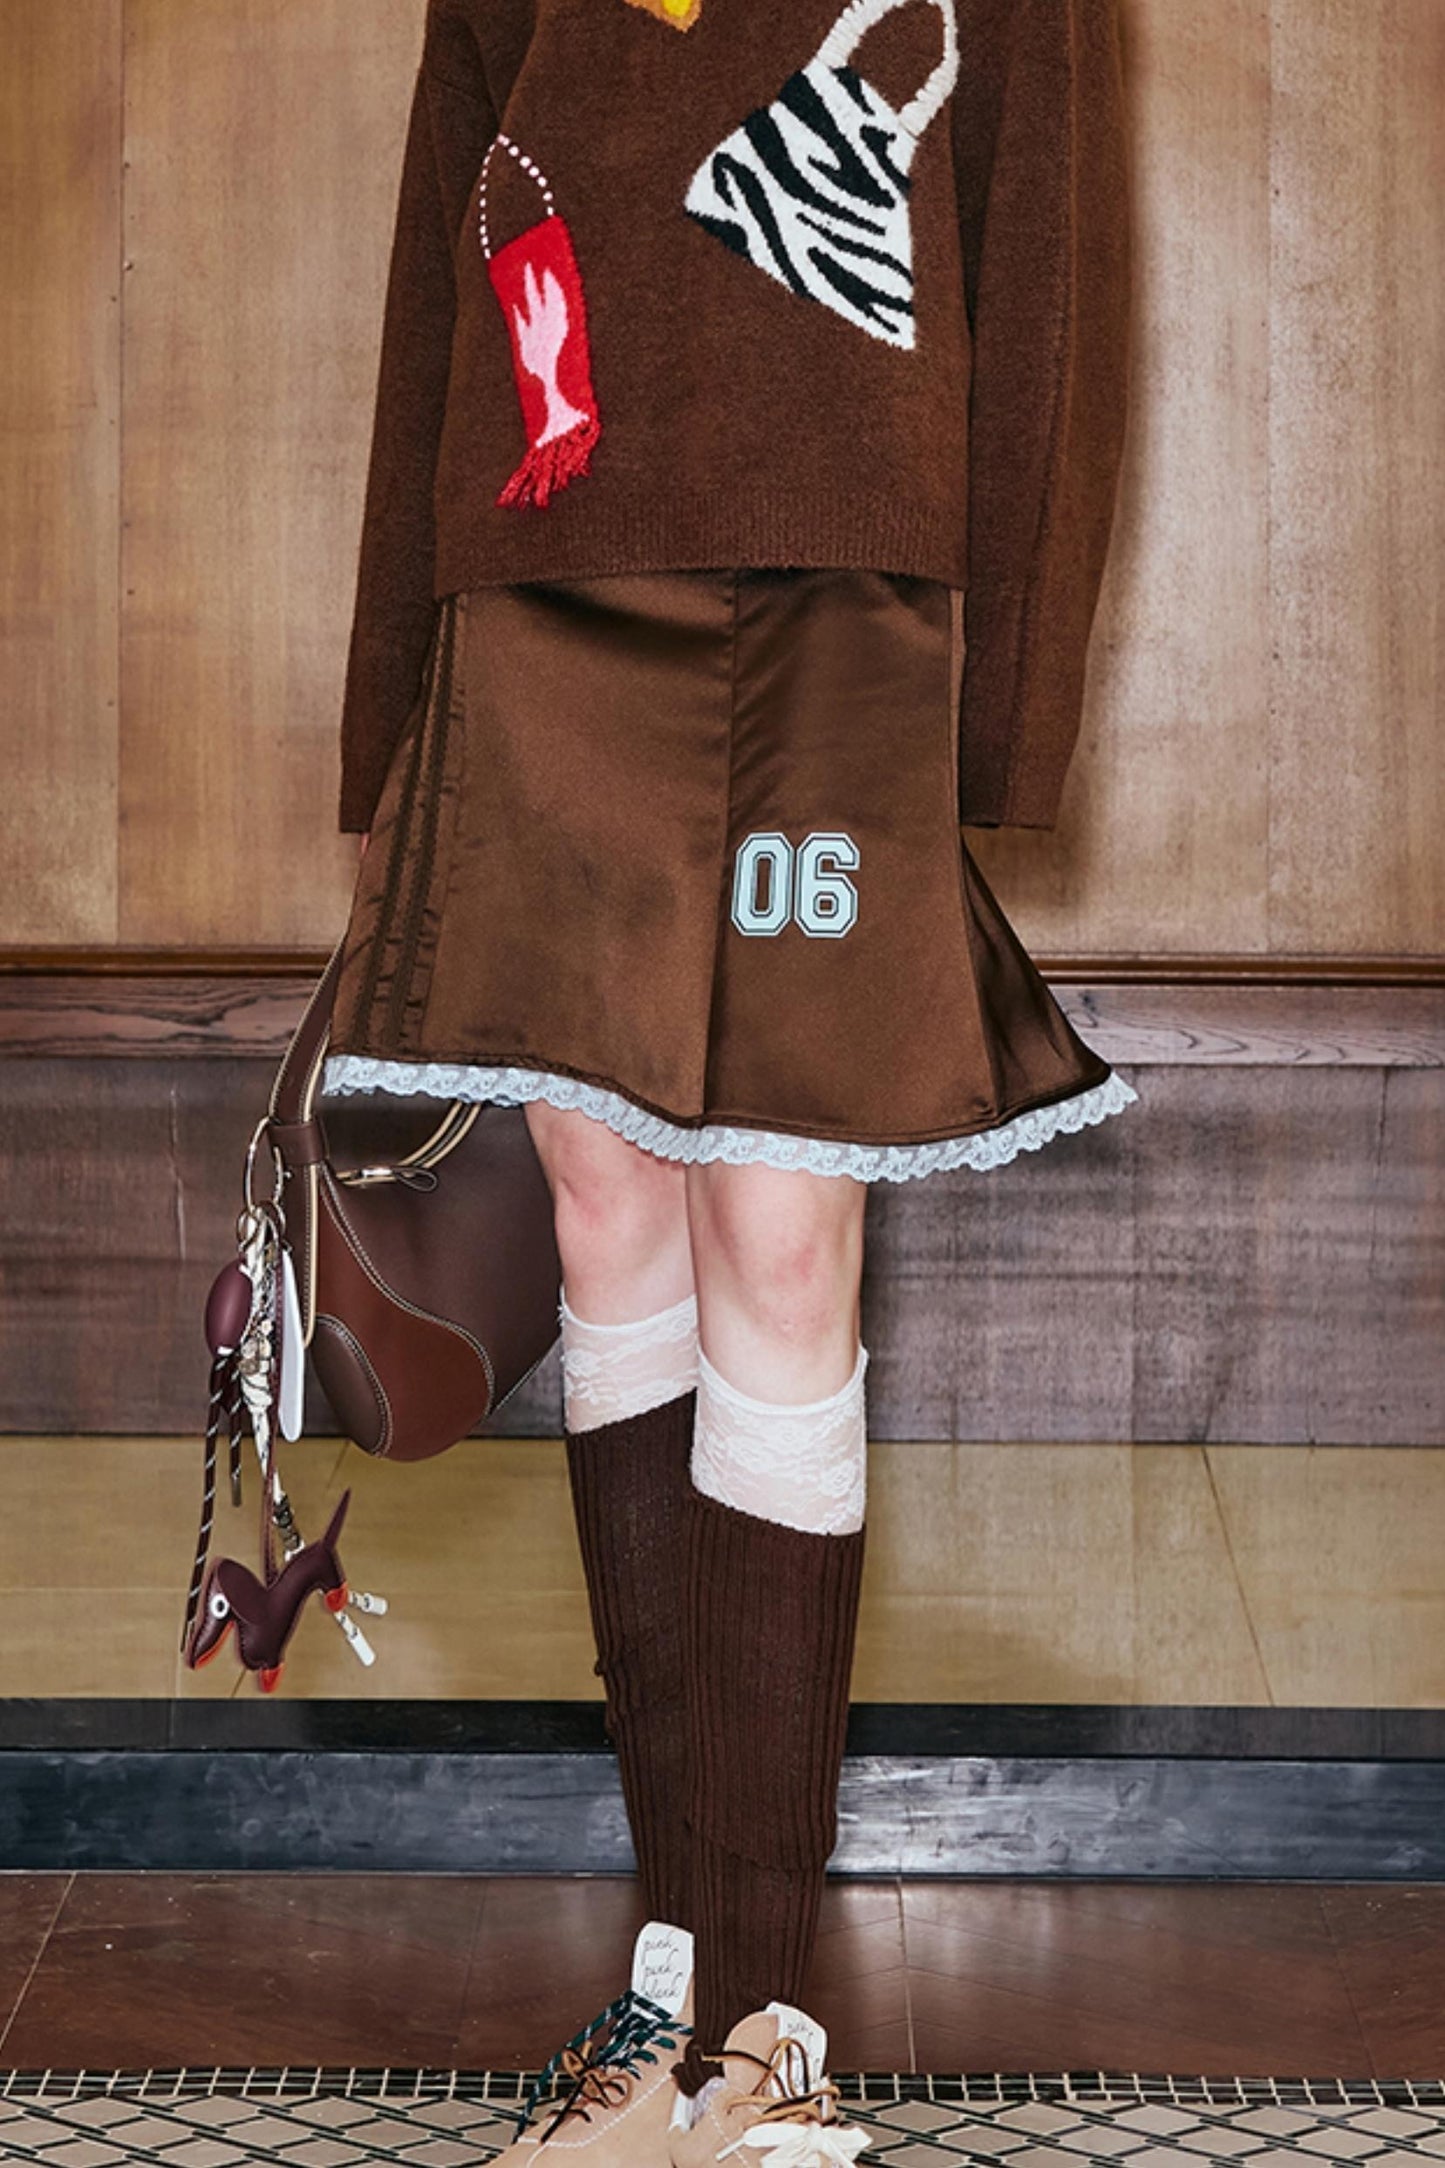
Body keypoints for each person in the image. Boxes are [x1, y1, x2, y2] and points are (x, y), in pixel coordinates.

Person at [322, 0, 1136, 2158]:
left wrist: (996, 713)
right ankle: (668, 1993)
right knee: (604, 1207)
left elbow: (1041, 257)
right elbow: (444, 245)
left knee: (779, 1230)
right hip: (543, 576)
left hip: (847, 596)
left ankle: (770, 2022)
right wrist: (392, 699)